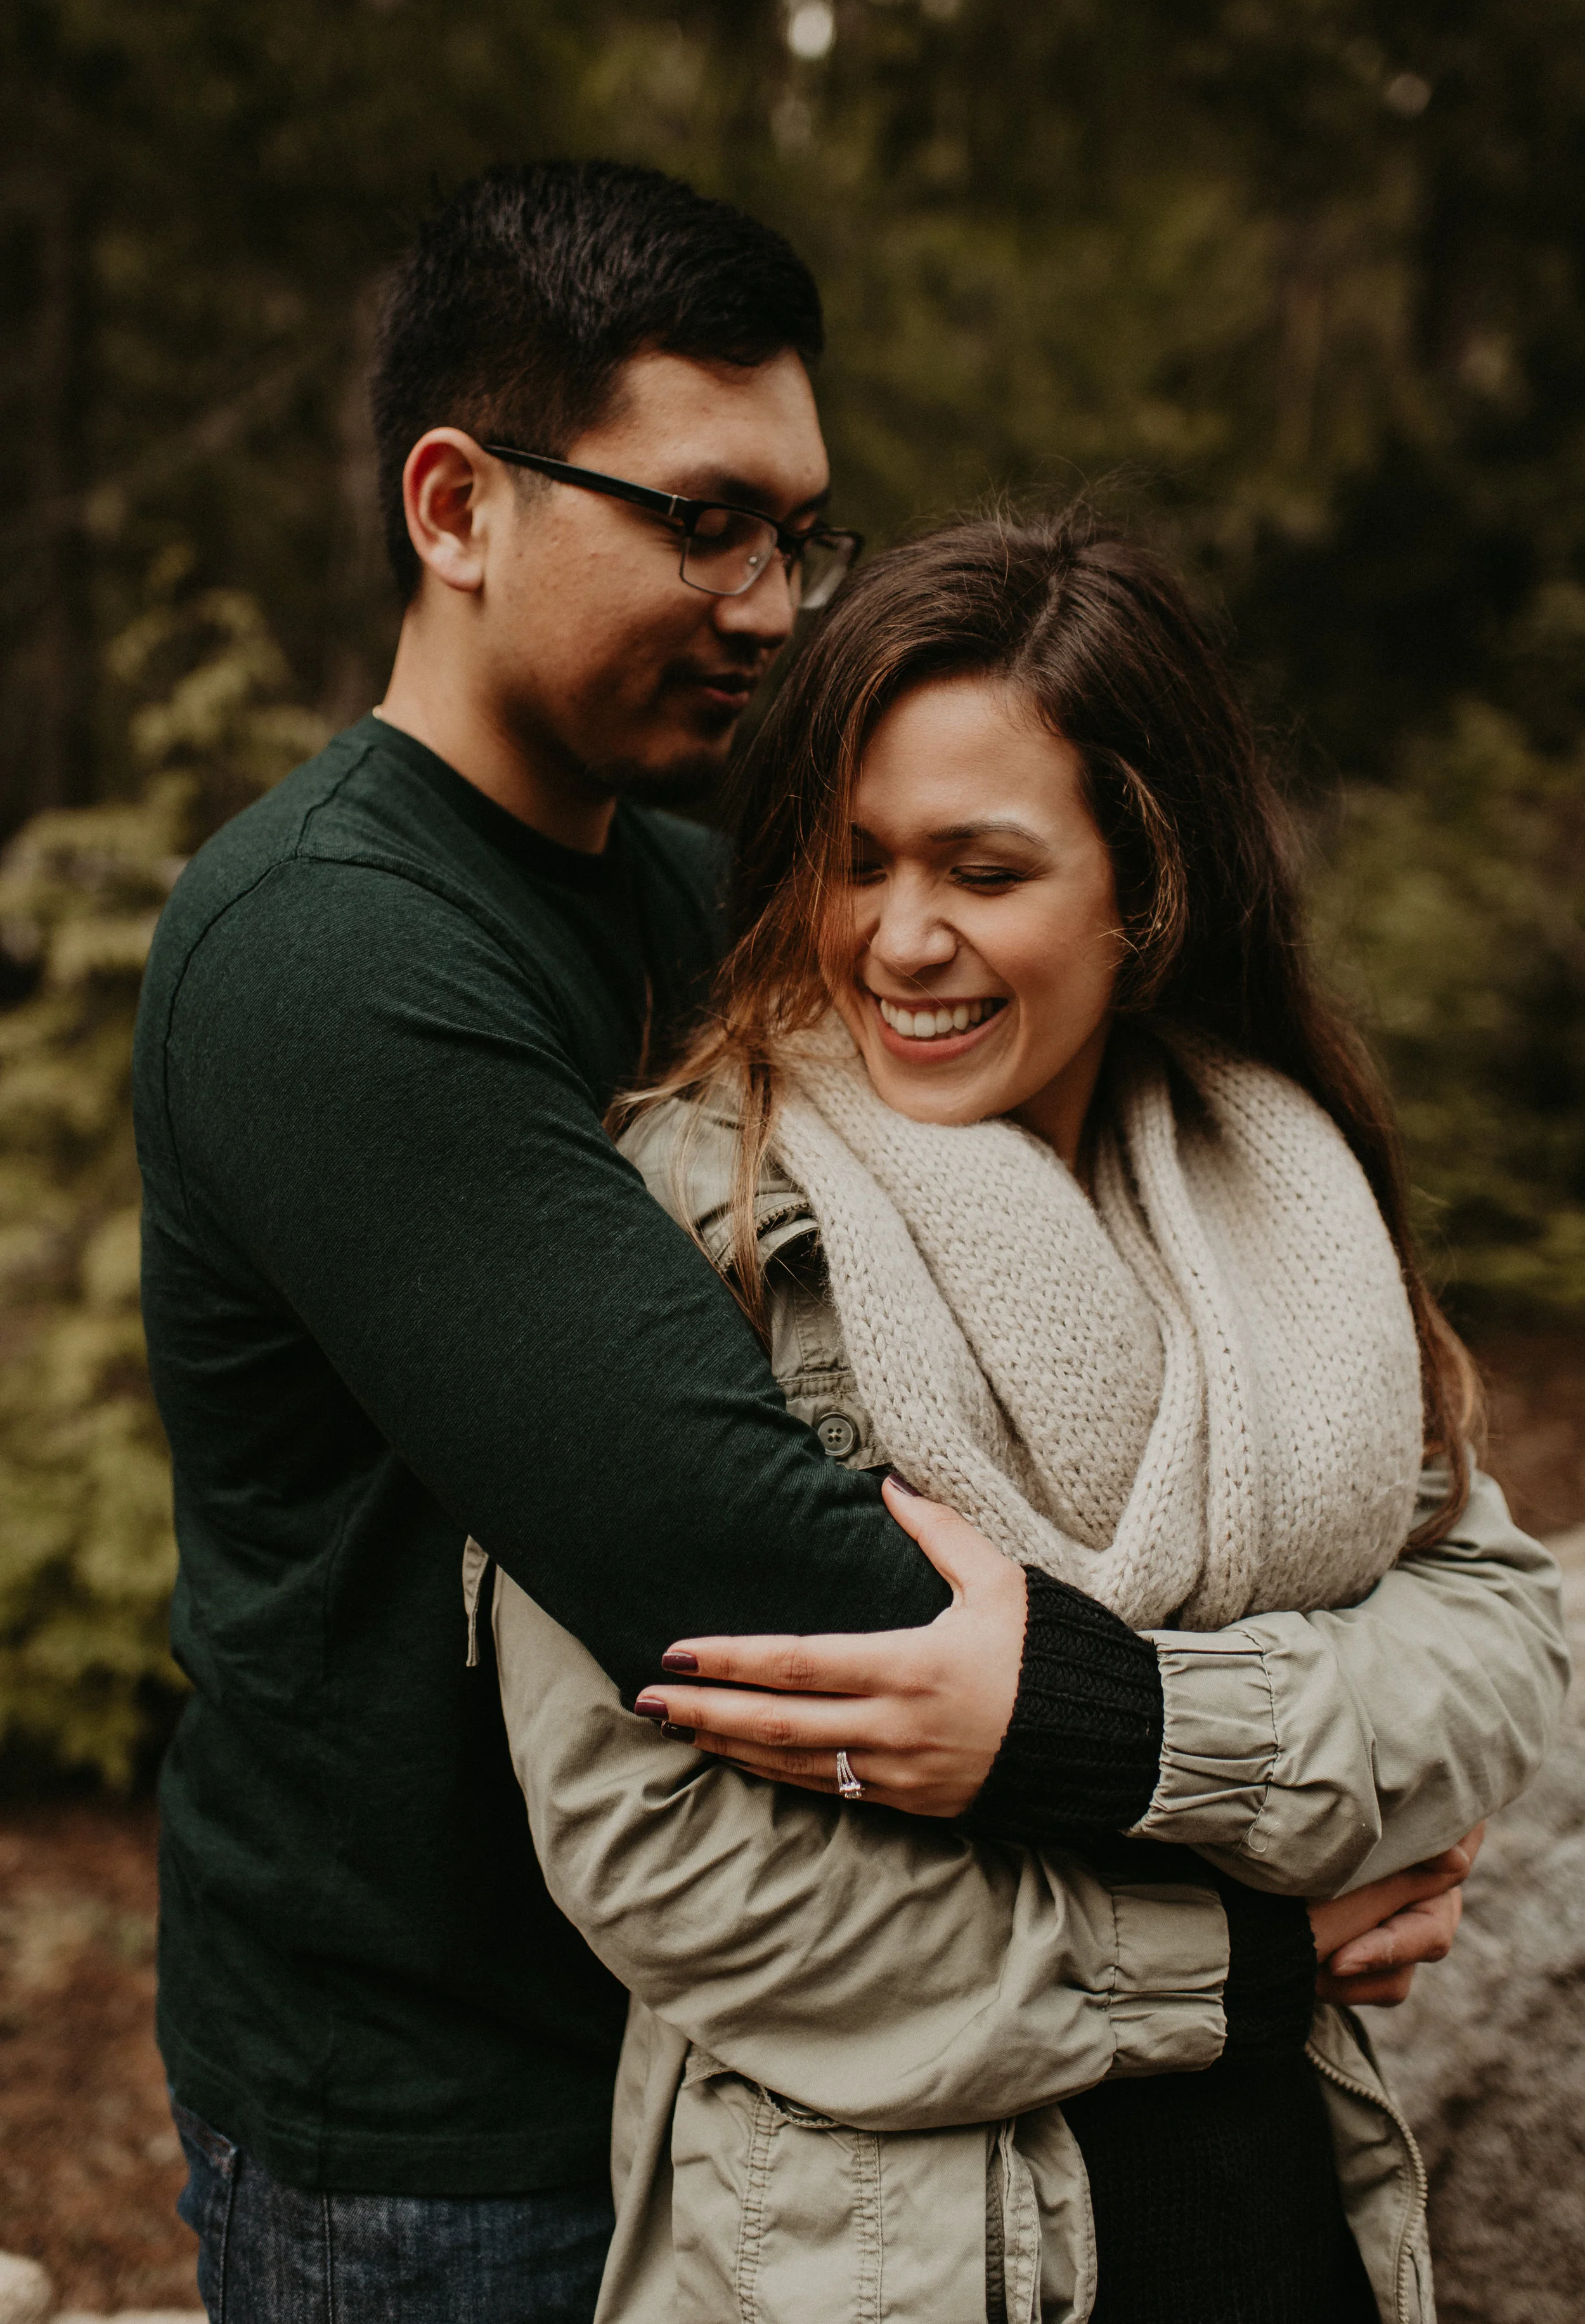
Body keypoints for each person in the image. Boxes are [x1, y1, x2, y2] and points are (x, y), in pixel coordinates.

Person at [132, 160, 1561, 2323]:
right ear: (454, 505)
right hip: (447, 2115)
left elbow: (1461, 1584)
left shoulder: (692, 885)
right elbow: (758, 1566)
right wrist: (1271, 1889)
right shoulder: (335, 956)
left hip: (857, 2097)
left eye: (801, 532)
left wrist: (1359, 1700)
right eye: (702, 521)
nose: (774, 599)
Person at [485, 510, 1570, 2324]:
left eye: (981, 872)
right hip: (875, 2264)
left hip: (1277, 2221)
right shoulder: (701, 1221)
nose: (899, 940)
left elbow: (1487, 1633)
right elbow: (662, 1859)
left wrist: (1109, 1725)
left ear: (1142, 888)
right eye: (853, 864)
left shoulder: (1265, 1184)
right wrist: (1244, 1956)